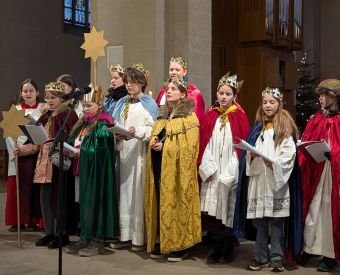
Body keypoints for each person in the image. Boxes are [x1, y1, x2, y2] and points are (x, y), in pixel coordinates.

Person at [236, 87, 300, 272]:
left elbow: (290, 153)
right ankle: (260, 257)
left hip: (276, 181)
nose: (267, 105)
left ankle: (276, 258)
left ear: (279, 104)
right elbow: (249, 152)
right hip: (259, 181)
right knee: (260, 222)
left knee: (277, 222)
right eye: (265, 102)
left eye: (272, 102)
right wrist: (251, 156)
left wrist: (275, 164)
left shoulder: (284, 127)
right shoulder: (258, 127)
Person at [13, 82, 78, 248]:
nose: (49, 101)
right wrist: (22, 149)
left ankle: (61, 234)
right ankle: (50, 232)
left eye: (53, 98)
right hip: (43, 165)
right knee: (45, 200)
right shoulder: (44, 117)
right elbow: (35, 144)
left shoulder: (68, 115)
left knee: (58, 201)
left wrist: (58, 143)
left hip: (59, 166)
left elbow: (72, 139)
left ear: (62, 99)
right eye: (47, 98)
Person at [145, 78, 201, 262]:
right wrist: (152, 144)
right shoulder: (161, 117)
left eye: (173, 89)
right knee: (162, 201)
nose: (169, 91)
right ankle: (164, 240)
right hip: (160, 166)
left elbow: (190, 148)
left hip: (178, 171)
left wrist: (166, 147)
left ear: (183, 94)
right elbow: (158, 136)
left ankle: (180, 244)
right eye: (167, 88)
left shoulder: (190, 119)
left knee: (177, 201)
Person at [198, 74, 250, 264]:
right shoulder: (211, 115)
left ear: (234, 96)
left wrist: (231, 172)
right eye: (221, 93)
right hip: (212, 171)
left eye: (228, 94)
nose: (224, 97)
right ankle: (216, 248)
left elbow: (242, 148)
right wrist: (207, 167)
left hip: (229, 171)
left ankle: (228, 248)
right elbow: (204, 143)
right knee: (213, 213)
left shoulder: (239, 116)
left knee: (228, 212)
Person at [65, 86, 120, 256]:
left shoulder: (103, 122)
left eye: (89, 105)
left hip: (98, 172)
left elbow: (102, 148)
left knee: (96, 202)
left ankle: (97, 240)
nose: (85, 108)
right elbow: (72, 139)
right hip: (84, 169)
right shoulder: (83, 121)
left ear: (99, 104)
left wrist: (83, 151)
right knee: (85, 202)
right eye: (83, 105)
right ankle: (85, 236)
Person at [110, 64, 158, 251]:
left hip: (139, 153)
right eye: (127, 82)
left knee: (137, 194)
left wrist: (136, 132)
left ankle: (139, 238)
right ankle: (125, 235)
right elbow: (115, 123)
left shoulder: (149, 103)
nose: (129, 86)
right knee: (124, 194)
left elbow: (153, 129)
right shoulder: (122, 103)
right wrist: (117, 134)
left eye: (133, 82)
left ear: (142, 83)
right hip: (123, 152)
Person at [299, 79, 340, 272]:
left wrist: (333, 155)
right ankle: (310, 247)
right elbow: (307, 142)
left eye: (325, 95)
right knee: (313, 210)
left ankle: (330, 255)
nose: (321, 99)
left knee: (330, 214)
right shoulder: (316, 119)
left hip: (334, 175)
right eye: (320, 96)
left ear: (335, 97)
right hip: (317, 172)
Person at [5, 79, 44, 232]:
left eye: (31, 91)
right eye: (25, 91)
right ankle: (18, 220)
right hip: (19, 152)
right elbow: (8, 133)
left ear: (37, 92)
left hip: (36, 151)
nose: (28, 94)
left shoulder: (43, 108)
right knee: (18, 185)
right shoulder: (15, 110)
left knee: (35, 187)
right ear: (21, 93)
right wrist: (16, 147)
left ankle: (34, 220)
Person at [155, 57, 205, 121]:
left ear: (184, 72)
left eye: (177, 70)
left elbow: (197, 119)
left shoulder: (194, 93)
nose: (173, 72)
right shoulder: (163, 92)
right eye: (171, 70)